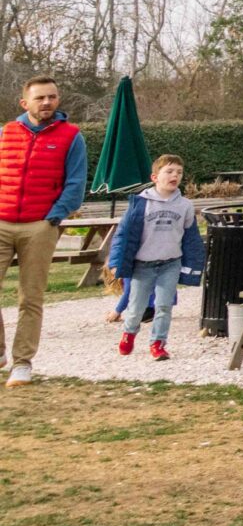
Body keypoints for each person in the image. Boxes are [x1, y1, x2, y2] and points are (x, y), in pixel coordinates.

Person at [0, 77, 87, 385]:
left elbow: (76, 183)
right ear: (25, 103)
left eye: (52, 96)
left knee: (30, 297)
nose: (47, 102)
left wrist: (54, 216)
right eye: (40, 98)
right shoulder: (5, 133)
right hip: (2, 221)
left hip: (40, 225)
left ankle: (22, 363)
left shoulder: (71, 136)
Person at [106, 155, 203, 362]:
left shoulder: (185, 205)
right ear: (155, 176)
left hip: (170, 263)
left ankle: (158, 343)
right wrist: (115, 262)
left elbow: (191, 238)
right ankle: (129, 333)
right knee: (136, 307)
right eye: (169, 171)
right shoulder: (140, 203)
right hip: (143, 265)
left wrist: (193, 267)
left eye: (179, 172)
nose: (174, 175)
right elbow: (123, 234)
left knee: (164, 305)